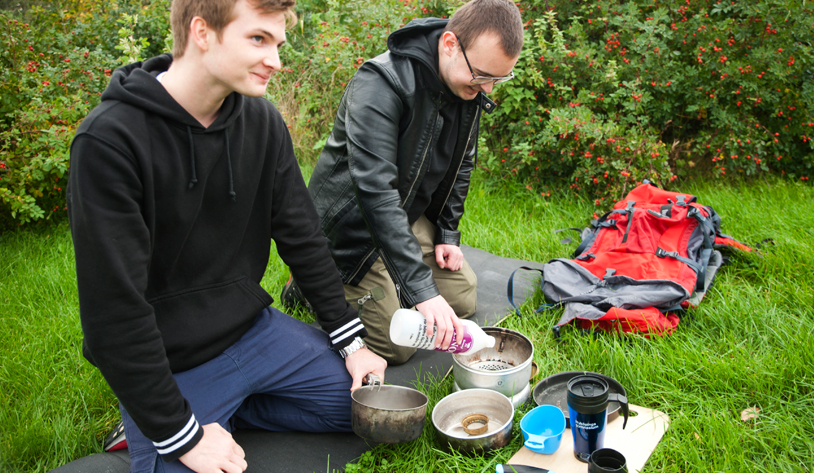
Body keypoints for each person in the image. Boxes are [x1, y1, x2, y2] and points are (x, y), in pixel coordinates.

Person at [67, 0, 386, 472]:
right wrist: (182, 434)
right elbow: (113, 312)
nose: (276, 60)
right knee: (189, 459)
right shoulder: (110, 143)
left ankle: (235, 407)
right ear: (202, 32)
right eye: (258, 39)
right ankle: (161, 417)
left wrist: (350, 342)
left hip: (251, 331)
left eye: (278, 43)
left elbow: (302, 236)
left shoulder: (262, 122)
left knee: (371, 412)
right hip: (171, 362)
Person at [301, 0, 523, 364]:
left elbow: (461, 164)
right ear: (450, 44)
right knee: (397, 347)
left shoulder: (468, 86)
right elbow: (375, 193)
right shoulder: (380, 82)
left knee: (463, 297)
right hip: (350, 235)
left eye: (499, 79)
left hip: (403, 217)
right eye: (483, 76)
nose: (488, 89)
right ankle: (312, 284)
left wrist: (447, 233)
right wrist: (421, 290)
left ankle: (394, 279)